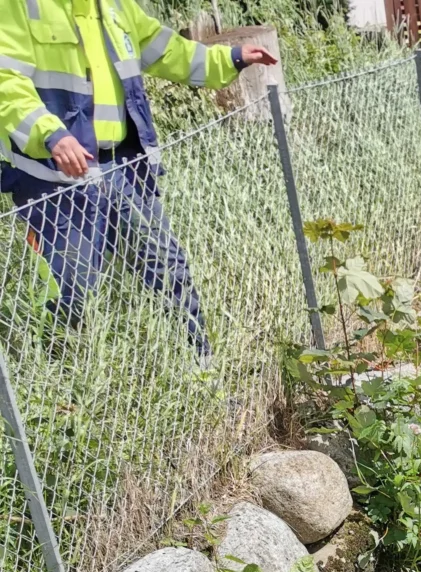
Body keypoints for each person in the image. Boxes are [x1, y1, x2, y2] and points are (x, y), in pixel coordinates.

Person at [0, 0, 277, 356]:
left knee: (166, 266)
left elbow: (166, 50)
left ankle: (199, 364)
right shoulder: (21, 5)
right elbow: (6, 82)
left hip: (125, 165)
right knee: (71, 286)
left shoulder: (115, 6)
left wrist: (231, 58)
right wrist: (51, 134)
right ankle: (60, 383)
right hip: (55, 179)